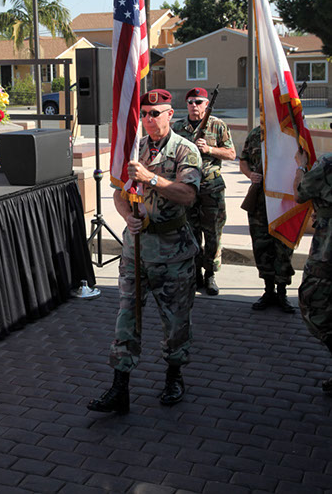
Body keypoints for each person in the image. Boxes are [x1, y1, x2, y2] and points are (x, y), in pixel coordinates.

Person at [87, 89, 202, 414]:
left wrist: (151, 178)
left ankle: (174, 376)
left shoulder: (185, 150)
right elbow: (119, 192)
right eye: (146, 114)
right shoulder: (133, 148)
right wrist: (127, 217)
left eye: (157, 113)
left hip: (173, 252)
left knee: (175, 321)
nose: (150, 120)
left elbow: (187, 195)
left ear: (170, 114)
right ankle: (119, 387)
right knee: (127, 316)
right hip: (136, 249)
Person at [172, 87, 236, 296]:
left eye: (198, 102)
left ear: (206, 104)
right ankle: (195, 273)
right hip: (188, 187)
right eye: (190, 102)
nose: (194, 106)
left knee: (213, 233)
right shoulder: (178, 126)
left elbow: (231, 153)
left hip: (211, 187)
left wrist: (209, 150)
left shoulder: (217, 125)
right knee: (190, 231)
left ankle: (210, 274)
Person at [240, 126, 295, 312]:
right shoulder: (255, 134)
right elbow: (243, 161)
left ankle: (282, 292)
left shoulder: (290, 133)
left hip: (283, 200)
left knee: (283, 247)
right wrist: (250, 175)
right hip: (259, 201)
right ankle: (268, 290)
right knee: (261, 246)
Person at [294, 149, 332, 397]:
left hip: (327, 250)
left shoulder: (328, 163)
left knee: (313, 302)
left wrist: (301, 166)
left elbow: (300, 194)